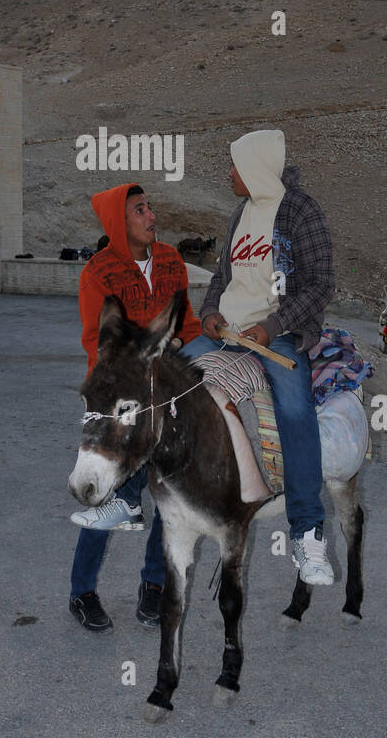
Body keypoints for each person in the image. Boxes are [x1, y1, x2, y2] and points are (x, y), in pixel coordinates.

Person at [182, 129, 336, 587]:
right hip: (226, 330)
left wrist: (272, 326)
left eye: (235, 165)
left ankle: (308, 532)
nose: (229, 173)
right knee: (167, 381)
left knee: (293, 408)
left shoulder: (300, 211)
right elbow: (222, 277)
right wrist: (209, 313)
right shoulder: (241, 212)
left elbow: (321, 283)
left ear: (255, 169)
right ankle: (131, 498)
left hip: (277, 335)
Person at [70, 183, 201, 631]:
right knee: (104, 492)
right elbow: (96, 341)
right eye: (140, 210)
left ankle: (153, 585)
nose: (151, 215)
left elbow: (187, 324)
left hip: (163, 400)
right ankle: (82, 591)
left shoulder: (170, 260)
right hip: (119, 401)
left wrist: (185, 342)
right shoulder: (99, 272)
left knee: (167, 494)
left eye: (150, 208)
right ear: (118, 223)